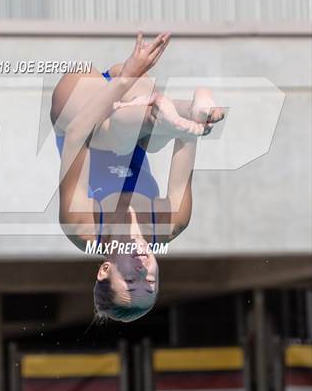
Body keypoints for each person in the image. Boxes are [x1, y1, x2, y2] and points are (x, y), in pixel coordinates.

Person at [50, 32, 224, 322]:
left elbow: (77, 133)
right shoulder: (169, 223)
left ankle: (164, 110)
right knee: (150, 138)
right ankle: (182, 109)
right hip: (132, 108)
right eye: (151, 283)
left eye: (131, 281)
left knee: (113, 136)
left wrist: (126, 76)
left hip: (77, 106)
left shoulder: (83, 227)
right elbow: (187, 140)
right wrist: (199, 123)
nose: (144, 271)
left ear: (105, 270)